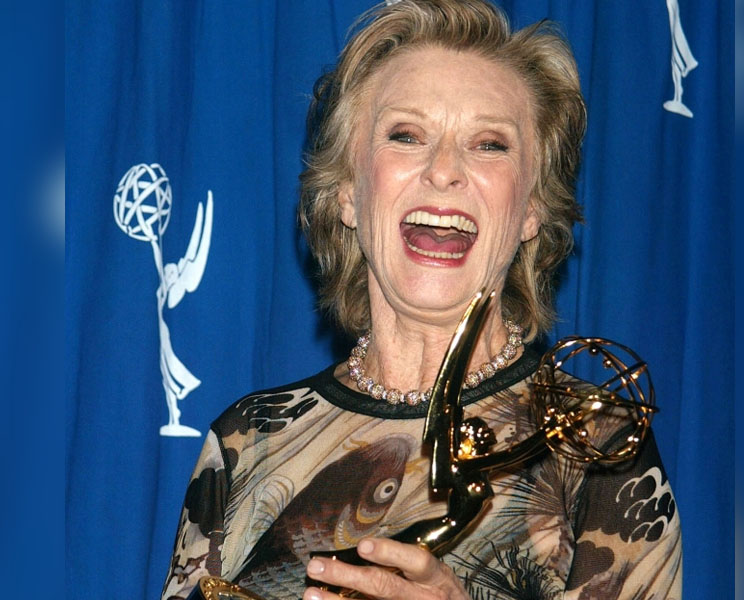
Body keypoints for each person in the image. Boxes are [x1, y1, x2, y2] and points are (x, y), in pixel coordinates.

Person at [161, 1, 683, 598]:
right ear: (347, 192)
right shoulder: (248, 440)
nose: (443, 170)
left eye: (489, 144)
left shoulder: (597, 441)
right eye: (406, 136)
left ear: (533, 208)